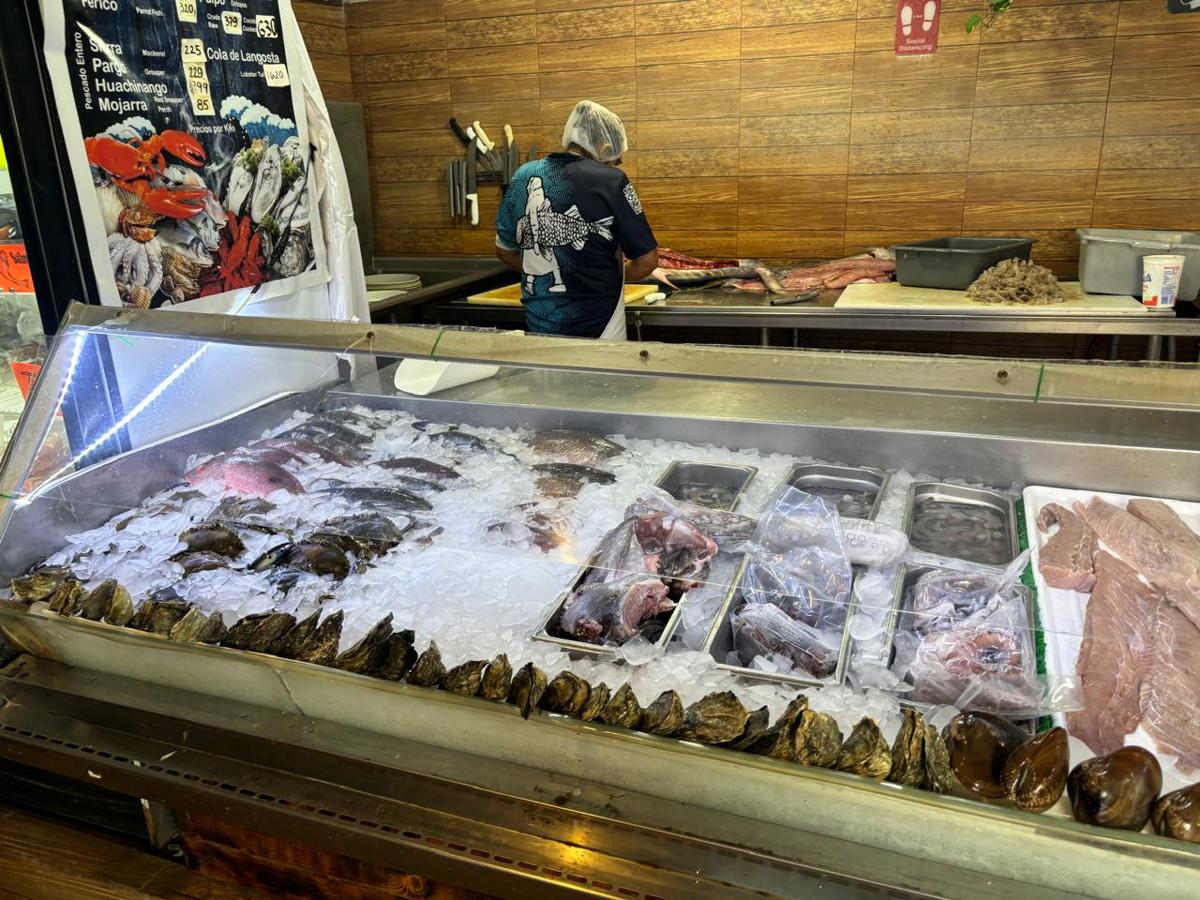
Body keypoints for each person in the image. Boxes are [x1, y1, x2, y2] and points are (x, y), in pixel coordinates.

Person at [495, 100, 658, 341]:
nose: (613, 164)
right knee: (601, 379)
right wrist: (602, 277)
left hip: (540, 320)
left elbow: (505, 251)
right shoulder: (612, 180)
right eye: (615, 158)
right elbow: (647, 262)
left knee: (547, 377)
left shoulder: (523, 175)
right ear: (604, 147)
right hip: (600, 320)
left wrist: (546, 270)